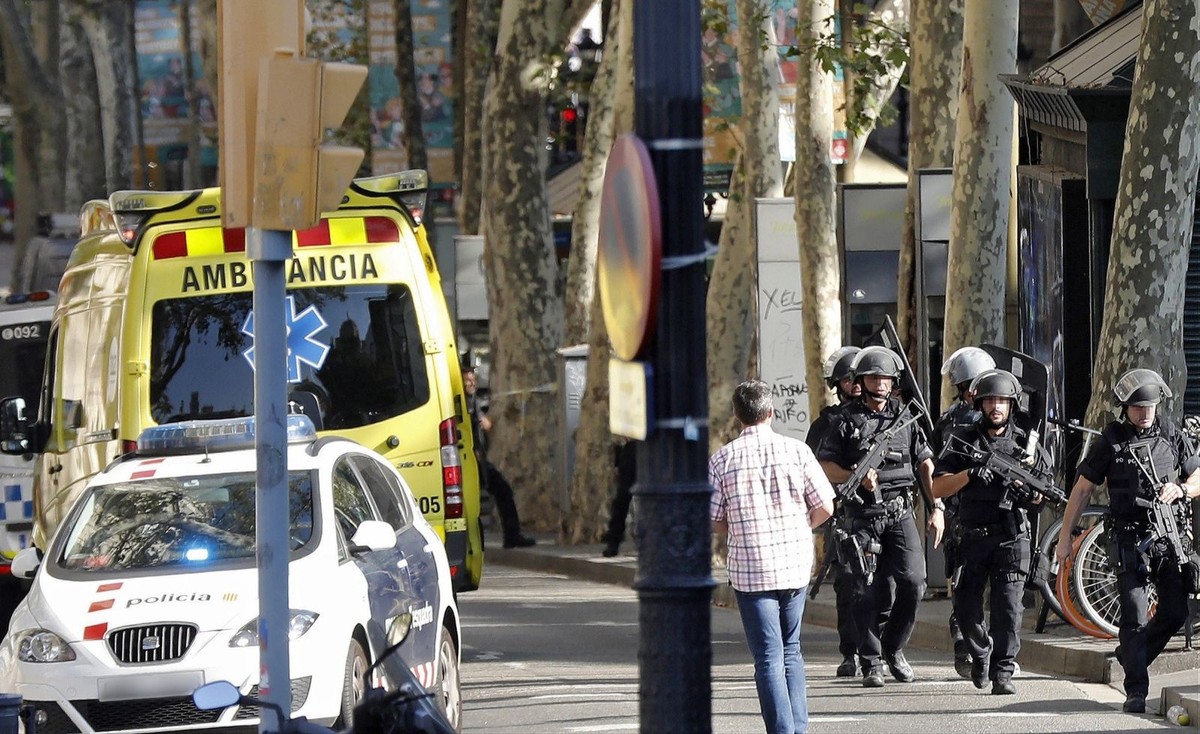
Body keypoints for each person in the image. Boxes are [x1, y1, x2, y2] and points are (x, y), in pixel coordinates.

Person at [1056, 368, 1200, 714]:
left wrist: (1180, 488)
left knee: (1175, 611)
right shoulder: (1111, 440)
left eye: (1149, 406)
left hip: (1168, 536)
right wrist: (1064, 538)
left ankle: (1130, 655)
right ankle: (1135, 690)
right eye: (1137, 407)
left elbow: (1197, 474)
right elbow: (1082, 490)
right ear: (1126, 408)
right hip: (1129, 538)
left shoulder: (1170, 433)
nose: (1144, 412)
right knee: (1134, 615)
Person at [710, 380, 835, 734]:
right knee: (792, 649)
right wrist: (801, 526)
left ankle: (781, 730)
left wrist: (739, 526)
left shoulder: (722, 459)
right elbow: (826, 505)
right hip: (795, 565)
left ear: (736, 416)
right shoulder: (798, 452)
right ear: (771, 412)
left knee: (768, 655)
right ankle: (799, 726)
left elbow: (712, 519)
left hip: (751, 569)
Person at [817, 346, 944, 688]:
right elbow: (824, 465)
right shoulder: (843, 421)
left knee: (914, 581)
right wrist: (853, 474)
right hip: (860, 516)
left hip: (900, 512)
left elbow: (925, 464)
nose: (880, 384)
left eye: (885, 378)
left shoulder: (906, 418)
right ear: (861, 380)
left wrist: (937, 507)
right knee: (862, 590)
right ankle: (871, 661)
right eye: (873, 378)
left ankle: (894, 647)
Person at [933, 369, 1050, 695]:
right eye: (990, 401)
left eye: (1002, 401)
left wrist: (1027, 490)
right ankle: (980, 652)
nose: (996, 407)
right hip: (972, 537)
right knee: (967, 608)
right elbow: (937, 486)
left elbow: (1042, 494)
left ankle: (1002, 672)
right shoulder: (964, 439)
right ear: (980, 403)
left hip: (1012, 537)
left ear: (1012, 404)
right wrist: (970, 474)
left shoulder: (1026, 445)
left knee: (1008, 609)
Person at [808, 345, 872, 678]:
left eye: (859, 377)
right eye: (849, 379)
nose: (857, 385)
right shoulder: (829, 422)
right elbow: (813, 466)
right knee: (849, 584)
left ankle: (883, 648)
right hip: (845, 511)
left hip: (882, 509)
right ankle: (852, 652)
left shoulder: (882, 416)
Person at [934, 345, 996, 678]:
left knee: (965, 584)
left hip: (960, 514)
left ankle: (966, 636)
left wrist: (938, 506)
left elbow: (935, 468)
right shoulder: (990, 418)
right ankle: (973, 641)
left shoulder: (948, 418)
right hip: (977, 513)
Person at [463, 366, 536, 548]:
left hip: (477, 459)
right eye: (468, 381)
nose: (472, 383)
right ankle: (509, 536)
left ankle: (512, 536)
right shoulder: (462, 402)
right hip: (469, 459)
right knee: (499, 491)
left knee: (502, 491)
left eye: (473, 380)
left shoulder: (472, 400)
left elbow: (484, 424)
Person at [601, 439, 637, 557]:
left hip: (643, 446)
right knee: (621, 500)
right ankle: (613, 541)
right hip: (634, 447)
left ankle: (613, 542)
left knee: (622, 500)